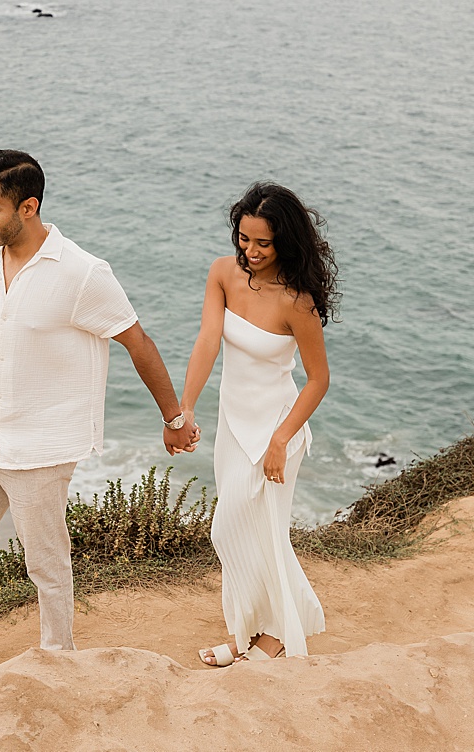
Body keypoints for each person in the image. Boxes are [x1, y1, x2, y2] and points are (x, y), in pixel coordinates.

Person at [0, 149, 199, 682]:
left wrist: (174, 418)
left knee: (44, 557)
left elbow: (137, 341)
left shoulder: (82, 272)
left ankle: (58, 656)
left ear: (28, 206)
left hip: (44, 441)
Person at [180, 182, 338, 665]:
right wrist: (185, 408)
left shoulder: (298, 300)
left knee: (254, 532)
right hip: (233, 425)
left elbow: (318, 379)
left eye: (262, 243)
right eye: (243, 239)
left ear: (285, 242)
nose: (250, 251)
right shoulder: (223, 274)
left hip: (276, 429)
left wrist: (281, 438)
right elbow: (209, 340)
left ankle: (272, 634)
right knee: (235, 534)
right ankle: (247, 630)